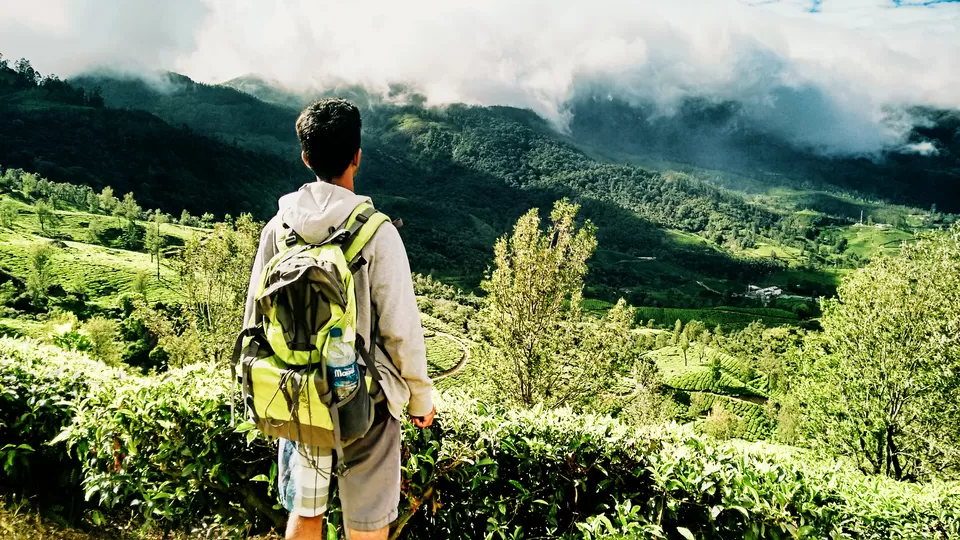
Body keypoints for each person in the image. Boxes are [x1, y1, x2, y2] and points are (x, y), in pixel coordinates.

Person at [243, 98, 435, 540]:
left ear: (306, 157)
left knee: (306, 514)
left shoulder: (278, 229)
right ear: (357, 157)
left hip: (299, 393)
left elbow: (255, 317)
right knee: (366, 524)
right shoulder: (377, 232)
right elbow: (400, 330)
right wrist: (421, 399)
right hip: (363, 399)